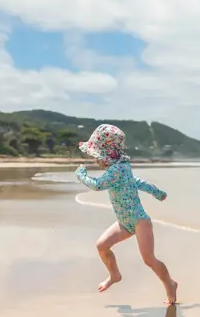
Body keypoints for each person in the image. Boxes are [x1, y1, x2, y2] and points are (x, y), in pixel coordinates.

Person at [75, 124, 178, 305]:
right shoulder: (123, 167)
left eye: (99, 157)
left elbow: (97, 185)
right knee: (102, 246)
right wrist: (156, 192)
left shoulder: (118, 170)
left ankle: (170, 285)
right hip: (124, 221)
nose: (97, 161)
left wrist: (82, 175)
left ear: (109, 153)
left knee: (149, 259)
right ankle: (114, 275)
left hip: (139, 221)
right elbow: (137, 182)